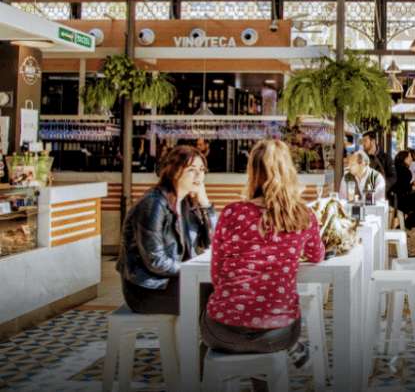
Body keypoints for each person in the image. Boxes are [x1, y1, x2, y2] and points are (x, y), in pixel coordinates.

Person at [203, 139, 325, 376]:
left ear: (252, 172)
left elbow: (217, 276)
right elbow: (317, 254)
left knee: (206, 303)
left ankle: (206, 378)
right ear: (289, 172)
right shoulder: (303, 216)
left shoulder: (231, 213)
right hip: (278, 335)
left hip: (222, 332)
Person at [117, 146, 216, 315]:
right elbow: (156, 261)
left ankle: (212, 340)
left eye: (201, 170)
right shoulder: (153, 204)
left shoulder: (187, 203)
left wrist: (205, 204)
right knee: (215, 298)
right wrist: (192, 270)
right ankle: (204, 341)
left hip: (175, 280)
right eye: (192, 170)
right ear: (174, 171)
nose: (199, 176)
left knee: (228, 290)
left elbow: (213, 242)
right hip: (147, 290)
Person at [390, 150, 415, 228]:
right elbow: (404, 188)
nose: (411, 159)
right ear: (404, 159)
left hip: (393, 198)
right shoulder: (405, 171)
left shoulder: (396, 168)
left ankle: (408, 222)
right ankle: (409, 222)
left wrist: (412, 184)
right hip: (401, 201)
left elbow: (401, 185)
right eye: (409, 157)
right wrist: (414, 186)